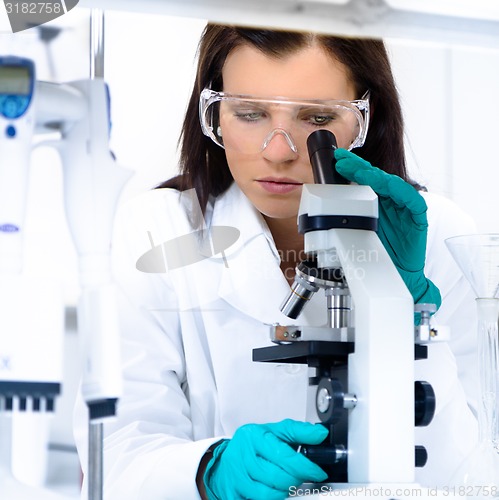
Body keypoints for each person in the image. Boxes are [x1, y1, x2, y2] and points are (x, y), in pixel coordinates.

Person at [74, 23, 479, 499]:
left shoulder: (437, 234)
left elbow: (469, 474)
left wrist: (403, 314)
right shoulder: (155, 232)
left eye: (316, 120)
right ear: (214, 115)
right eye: (250, 114)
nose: (280, 152)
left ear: (367, 121)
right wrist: (206, 471)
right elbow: (118, 460)